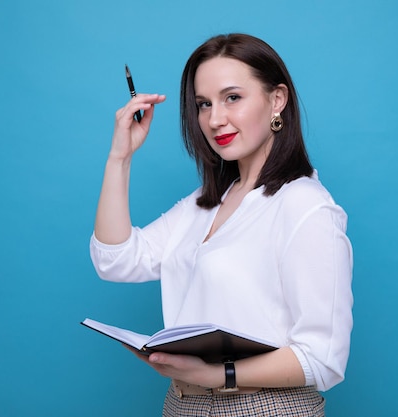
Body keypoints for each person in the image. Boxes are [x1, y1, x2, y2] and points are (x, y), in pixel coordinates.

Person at [90, 33, 353, 416]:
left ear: (277, 99)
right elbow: (115, 259)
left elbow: (324, 358)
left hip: (262, 407)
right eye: (203, 104)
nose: (214, 120)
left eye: (233, 97)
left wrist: (220, 375)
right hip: (183, 405)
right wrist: (120, 157)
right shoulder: (204, 203)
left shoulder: (305, 206)